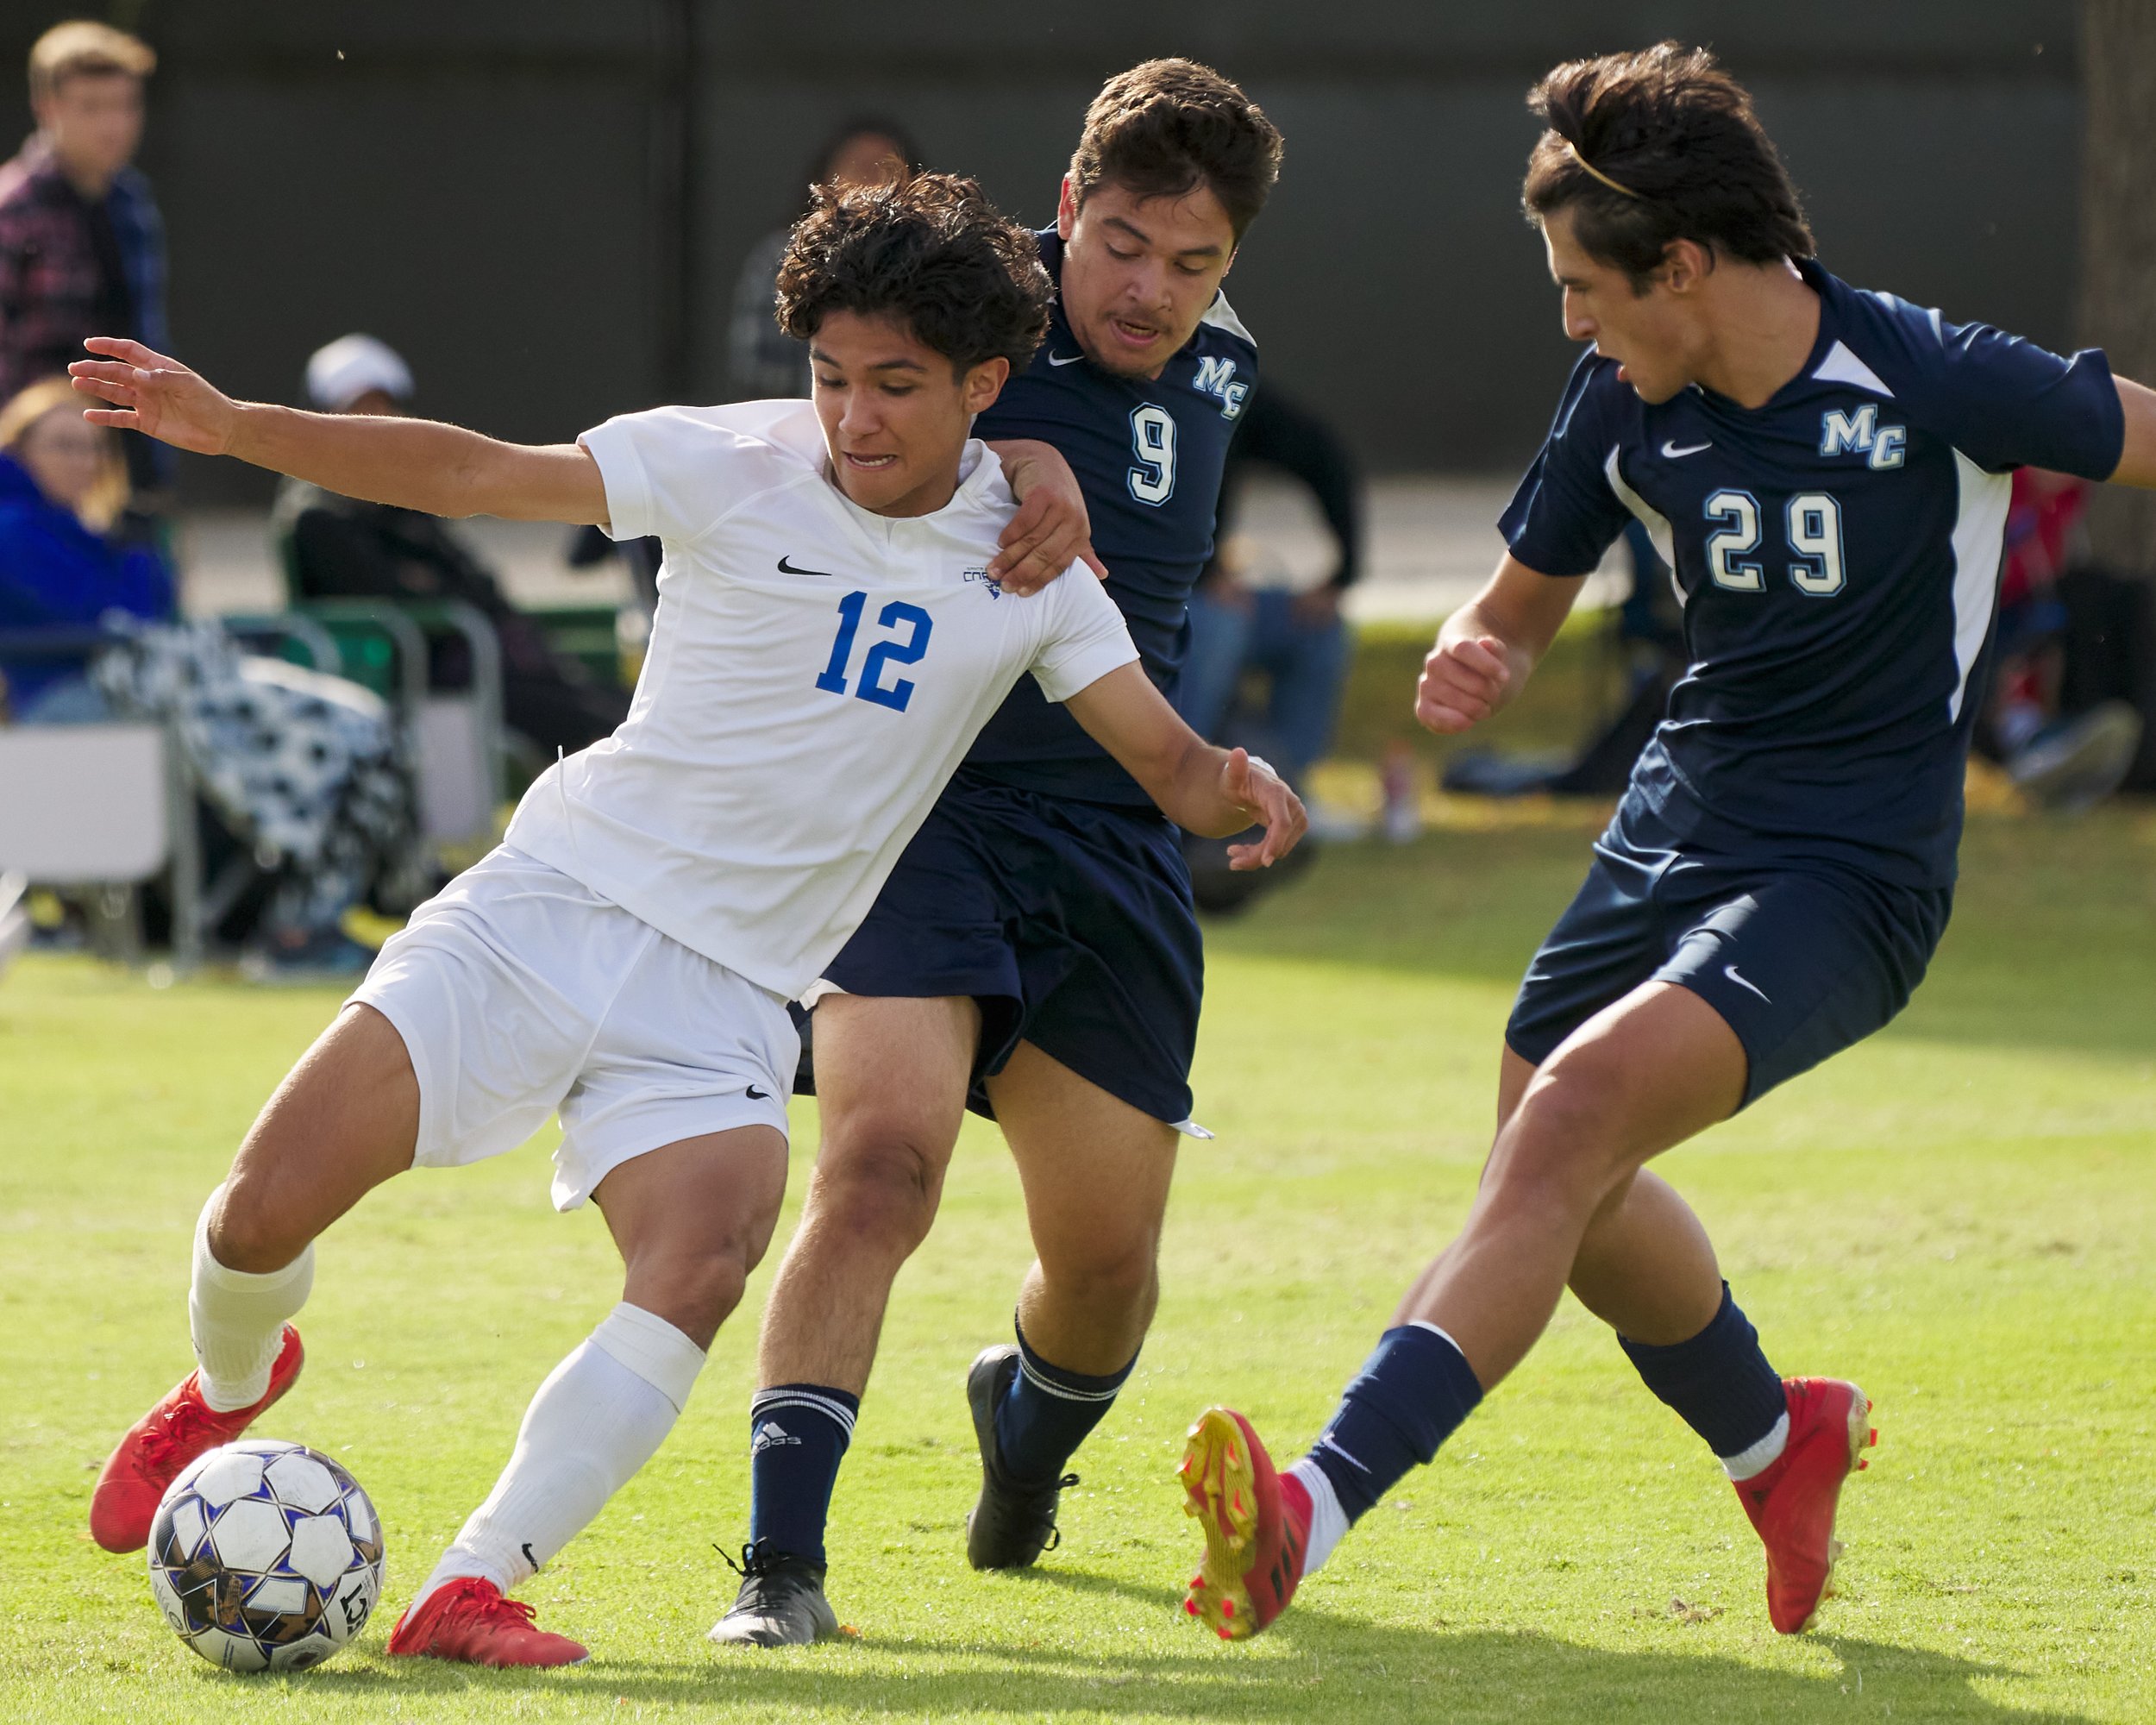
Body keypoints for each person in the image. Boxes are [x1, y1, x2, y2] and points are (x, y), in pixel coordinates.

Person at [74, 170, 1302, 1667]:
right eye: (832, 377)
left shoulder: (1035, 561)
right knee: (257, 1213)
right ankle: (226, 1382)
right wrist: (237, 426)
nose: (853, 417)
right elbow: (471, 474)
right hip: (550, 908)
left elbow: (1167, 764)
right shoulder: (726, 462)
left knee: (705, 1257)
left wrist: (1243, 788)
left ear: (986, 384)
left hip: (729, 995)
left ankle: (474, 1582)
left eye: (898, 387)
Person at [1175, 41, 2156, 1646]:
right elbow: (1511, 608)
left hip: (1852, 873)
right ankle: (1784, 1445)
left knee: (1561, 1135)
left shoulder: (1927, 375)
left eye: (1582, 285)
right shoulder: (1619, 402)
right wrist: (1477, 655)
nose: (1569, 318)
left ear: (1681, 266)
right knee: (1554, 1177)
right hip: (1668, 835)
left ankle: (1308, 1512)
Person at [714, 59, 1282, 1647]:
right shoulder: (966, 315)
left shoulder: (1222, 364)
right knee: (880, 1164)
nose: (1152, 291)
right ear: (1064, 211)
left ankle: (1022, 1437)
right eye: (1120, 244)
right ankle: (779, 1572)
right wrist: (1003, 449)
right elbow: (832, 429)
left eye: (1195, 264)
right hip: (913, 810)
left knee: (1104, 1280)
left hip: (1107, 835)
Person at [273, 332, 631, 760]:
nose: (372, 420)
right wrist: (456, 604)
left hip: (480, 657)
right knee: (596, 730)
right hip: (423, 672)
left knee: (617, 711)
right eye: (356, 408)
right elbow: (394, 596)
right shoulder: (316, 515)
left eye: (382, 405)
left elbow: (467, 575)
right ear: (322, 415)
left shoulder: (402, 491)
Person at [0, 22, 169, 500]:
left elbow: (146, 333)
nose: (112, 125)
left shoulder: (132, 203)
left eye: (124, 105)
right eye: (91, 107)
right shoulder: (12, 209)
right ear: (46, 108)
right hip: (34, 474)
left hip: (131, 456)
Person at [1178, 384, 1363, 789]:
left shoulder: (1212, 380)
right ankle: (1179, 792)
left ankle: (1288, 792)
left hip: (1209, 589)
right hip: (1139, 602)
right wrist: (1204, 573)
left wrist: (1343, 572)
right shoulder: (1098, 392)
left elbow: (1321, 452)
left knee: (1319, 630)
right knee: (1217, 624)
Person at [0, 374, 172, 719]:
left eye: (94, 447)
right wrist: (135, 558)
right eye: (65, 445)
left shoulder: (89, 528)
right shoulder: (12, 527)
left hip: (114, 689)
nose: (84, 461)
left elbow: (163, 615)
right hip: (54, 699)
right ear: (19, 451)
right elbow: (108, 618)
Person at [729, 118, 922, 401]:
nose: (871, 180)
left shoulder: (933, 254)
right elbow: (761, 372)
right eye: (859, 166)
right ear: (825, 178)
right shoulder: (783, 255)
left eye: (886, 168)